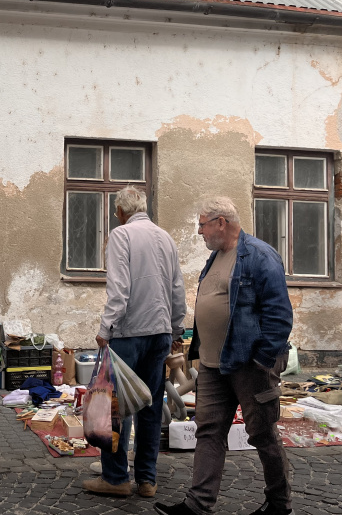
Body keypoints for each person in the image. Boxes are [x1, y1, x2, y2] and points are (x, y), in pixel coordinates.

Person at [156, 196, 293, 515]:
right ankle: (198, 505)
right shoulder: (216, 257)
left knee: (262, 433)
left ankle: (279, 503)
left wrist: (262, 360)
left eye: (202, 224)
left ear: (221, 223)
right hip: (214, 364)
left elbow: (279, 314)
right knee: (209, 430)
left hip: (250, 365)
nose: (199, 231)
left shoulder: (260, 256)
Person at [80, 186, 185, 499]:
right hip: (160, 333)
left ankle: (115, 479)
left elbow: (119, 290)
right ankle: (147, 480)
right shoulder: (165, 238)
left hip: (129, 333)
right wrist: (176, 330)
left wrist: (105, 328)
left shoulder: (121, 235)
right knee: (150, 405)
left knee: (117, 407)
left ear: (120, 212)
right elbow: (177, 289)